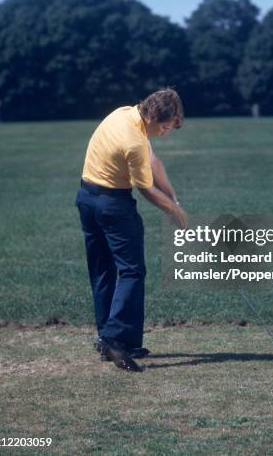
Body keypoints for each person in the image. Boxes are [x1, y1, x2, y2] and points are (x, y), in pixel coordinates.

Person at [75, 88, 188, 372]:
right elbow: (147, 189)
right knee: (132, 270)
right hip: (112, 205)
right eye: (163, 127)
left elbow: (153, 162)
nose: (165, 133)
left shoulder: (125, 114)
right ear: (151, 115)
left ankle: (114, 339)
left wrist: (174, 199)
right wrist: (174, 212)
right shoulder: (134, 142)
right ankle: (115, 338)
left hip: (86, 199)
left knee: (103, 269)